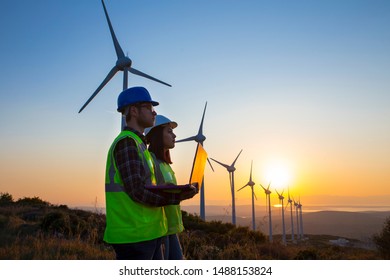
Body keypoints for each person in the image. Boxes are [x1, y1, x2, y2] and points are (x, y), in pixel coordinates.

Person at [103, 86, 198, 260]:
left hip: (147, 233)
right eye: (149, 108)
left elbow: (149, 187)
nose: (154, 113)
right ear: (134, 110)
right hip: (134, 235)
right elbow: (137, 191)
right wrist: (175, 197)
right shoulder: (127, 143)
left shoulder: (139, 145)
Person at [145, 115, 184, 259]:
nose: (174, 135)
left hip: (171, 229)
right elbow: (151, 193)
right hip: (160, 231)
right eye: (169, 131)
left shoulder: (165, 164)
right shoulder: (150, 160)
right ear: (157, 134)